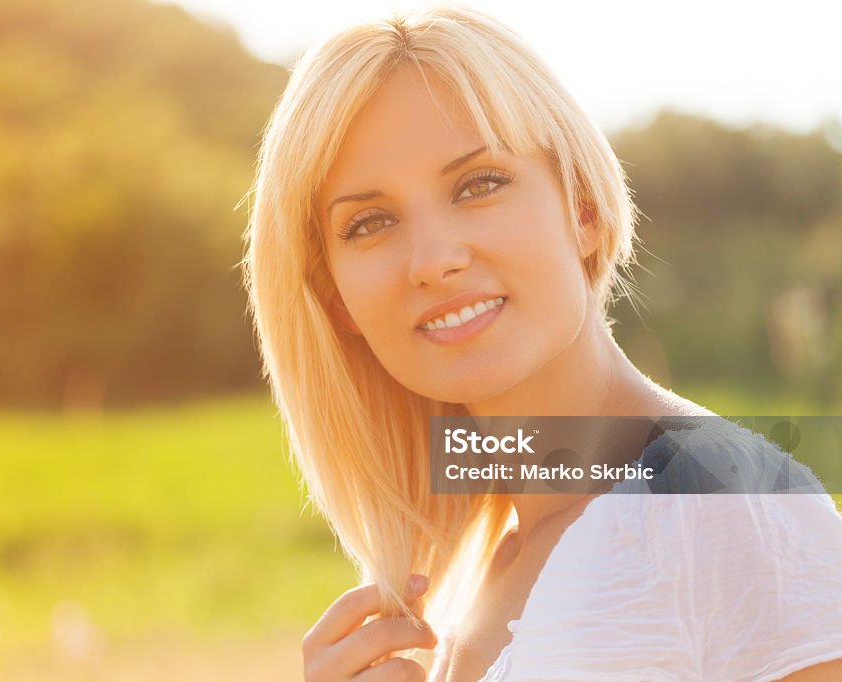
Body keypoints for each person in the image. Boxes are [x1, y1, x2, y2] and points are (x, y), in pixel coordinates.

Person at [242, 7, 842, 681]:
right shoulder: (469, 579)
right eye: (370, 222)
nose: (433, 260)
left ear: (583, 208)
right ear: (338, 303)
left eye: (479, 184)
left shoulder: (730, 504)